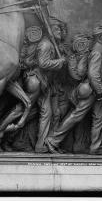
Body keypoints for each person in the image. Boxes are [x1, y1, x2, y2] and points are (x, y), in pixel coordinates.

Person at [45, 25, 102, 155]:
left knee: (99, 118)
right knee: (76, 116)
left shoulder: (100, 50)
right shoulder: (97, 52)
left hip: (96, 91)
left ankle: (95, 147)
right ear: (100, 36)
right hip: (93, 91)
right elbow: (93, 75)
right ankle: (53, 140)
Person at [33, 18, 67, 153]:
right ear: (50, 30)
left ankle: (51, 143)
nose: (60, 31)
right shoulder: (46, 45)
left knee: (56, 114)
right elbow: (43, 63)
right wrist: (60, 61)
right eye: (57, 29)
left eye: (60, 29)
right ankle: (40, 145)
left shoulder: (54, 45)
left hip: (52, 84)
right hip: (42, 83)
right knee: (46, 114)